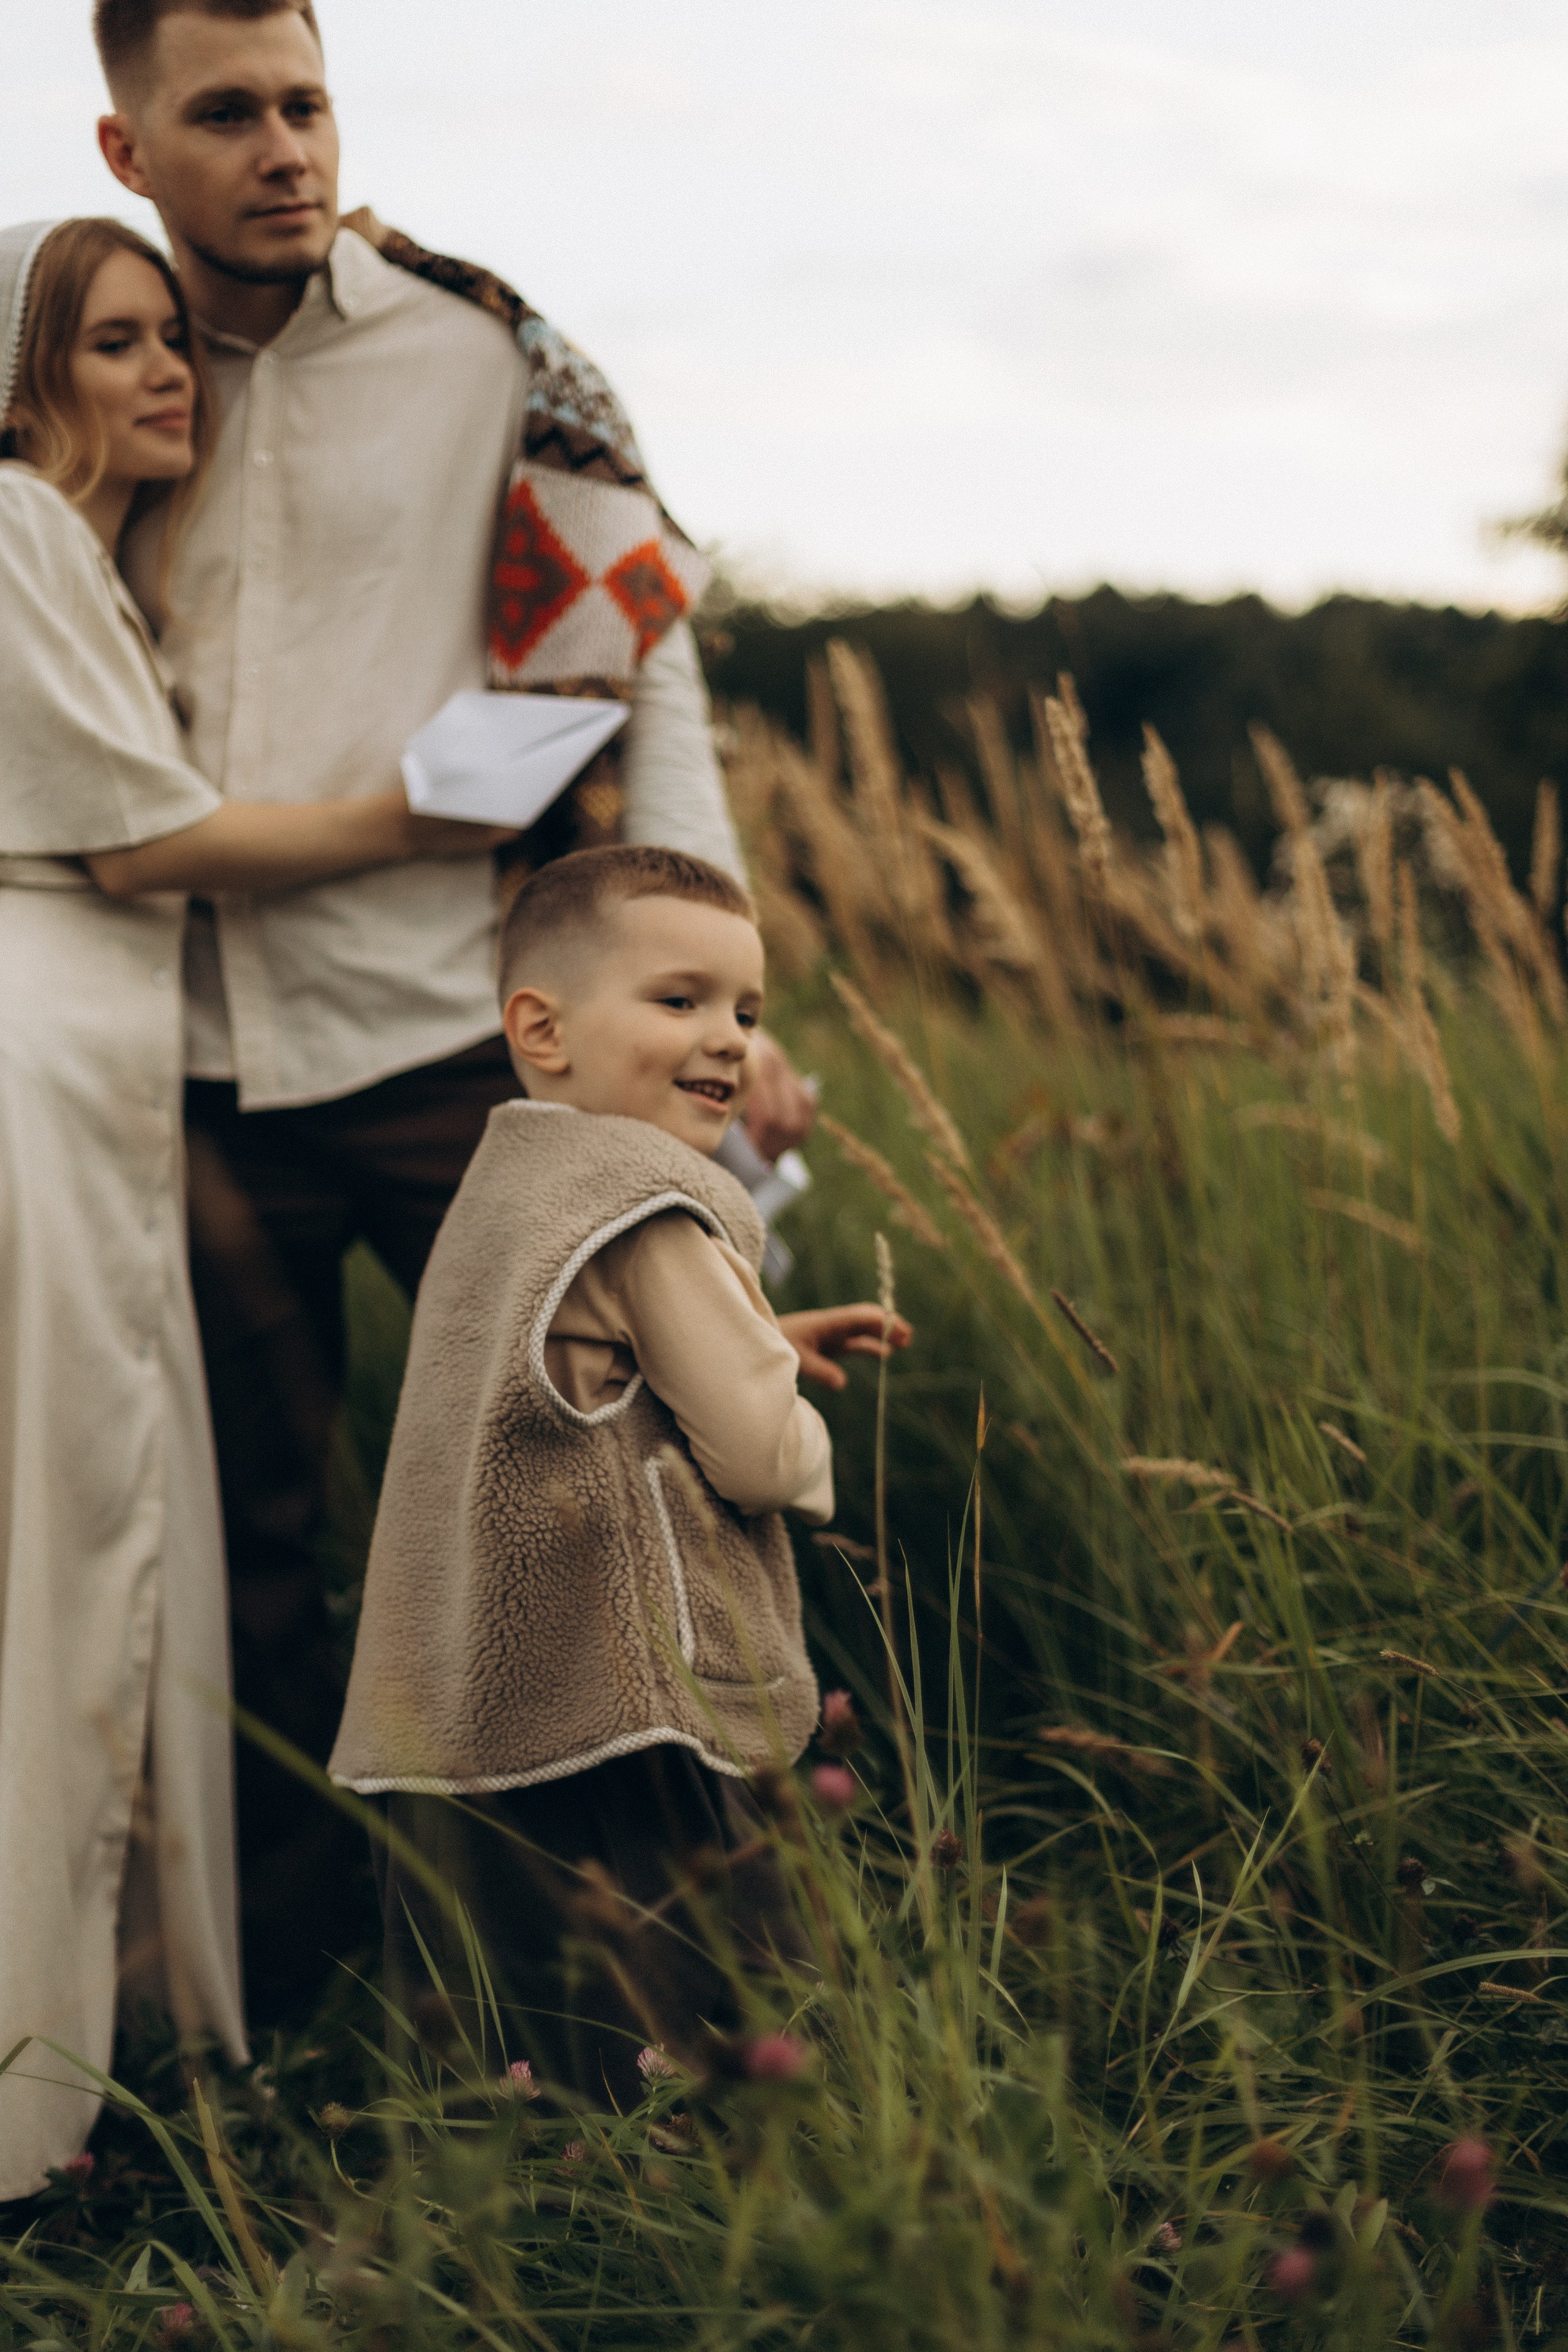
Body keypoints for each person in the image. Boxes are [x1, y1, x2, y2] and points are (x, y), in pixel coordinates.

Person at [89, 0, 821, 2019]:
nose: (281, 147)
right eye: (222, 112)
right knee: (230, 1577)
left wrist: (713, 1003)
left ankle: (706, 2001)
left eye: (305, 101)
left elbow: (630, 668)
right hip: (170, 1060)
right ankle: (298, 2024)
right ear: (125, 141)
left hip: (460, 1043)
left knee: (629, 1501)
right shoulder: (82, 355)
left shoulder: (486, 346)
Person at [0, 215, 508, 2198]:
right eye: (112, 343)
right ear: (30, 369)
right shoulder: (27, 530)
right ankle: (60, 2072)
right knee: (76, 1535)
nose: (163, 376)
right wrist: (427, 809)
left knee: (123, 1523)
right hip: (50, 1053)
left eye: (168, 341)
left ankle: (126, 2008)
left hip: (99, 1057)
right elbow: (144, 849)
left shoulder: (85, 552)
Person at [328, 846, 909, 2106]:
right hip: (623, 1696)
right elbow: (750, 1451)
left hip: (472, 1692)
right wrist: (798, 1437)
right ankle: (733, 2190)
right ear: (541, 1027)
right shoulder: (645, 1198)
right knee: (711, 1984)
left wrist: (753, 1340)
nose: (729, 1044)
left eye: (748, 1013)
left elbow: (565, 1361)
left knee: (524, 2007)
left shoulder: (512, 1184)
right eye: (679, 1000)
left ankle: (533, 2207)